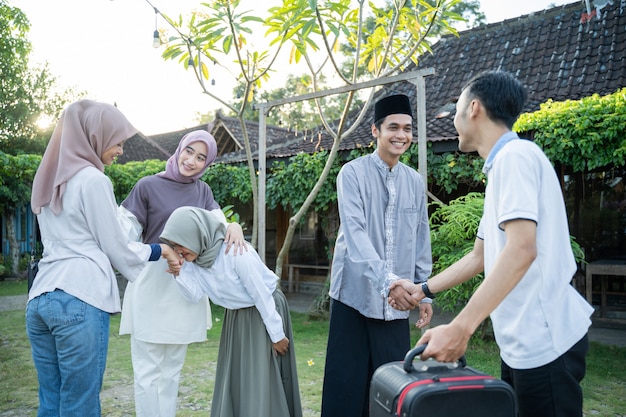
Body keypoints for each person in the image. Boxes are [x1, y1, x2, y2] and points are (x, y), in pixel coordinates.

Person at [389, 70, 594, 417]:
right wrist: (423, 289)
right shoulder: (501, 166)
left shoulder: (515, 157)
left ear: (473, 109)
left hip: (545, 342)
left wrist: (461, 327)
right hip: (519, 343)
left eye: (454, 111)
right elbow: (479, 257)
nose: (452, 121)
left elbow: (521, 249)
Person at [26, 99, 182, 417]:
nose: (122, 150)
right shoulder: (93, 180)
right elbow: (117, 247)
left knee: (51, 402)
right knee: (80, 404)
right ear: (95, 135)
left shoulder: (47, 179)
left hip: (39, 300)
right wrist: (160, 249)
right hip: (79, 297)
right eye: (118, 141)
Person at [320, 94, 434, 417]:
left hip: (397, 304)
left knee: (391, 388)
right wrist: (390, 282)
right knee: (346, 389)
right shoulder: (351, 174)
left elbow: (420, 239)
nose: (401, 135)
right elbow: (355, 237)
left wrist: (424, 293)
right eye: (393, 127)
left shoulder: (414, 182)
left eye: (408, 129)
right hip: (354, 297)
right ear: (375, 130)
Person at [118, 130, 245, 417]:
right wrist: (163, 251)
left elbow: (217, 229)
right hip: (152, 282)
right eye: (189, 151)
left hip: (186, 285)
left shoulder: (202, 191)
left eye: (201, 157)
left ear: (207, 163)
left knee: (172, 371)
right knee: (147, 372)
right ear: (179, 149)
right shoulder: (146, 186)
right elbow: (123, 240)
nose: (192, 161)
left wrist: (233, 226)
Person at [159, 206, 303, 417]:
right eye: (174, 246)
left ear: (194, 234)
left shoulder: (235, 252)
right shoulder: (196, 260)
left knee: (261, 378)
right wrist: (178, 272)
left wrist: (277, 335)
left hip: (263, 313)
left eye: (179, 243)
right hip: (235, 318)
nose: (178, 250)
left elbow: (261, 295)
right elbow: (195, 295)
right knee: (239, 377)